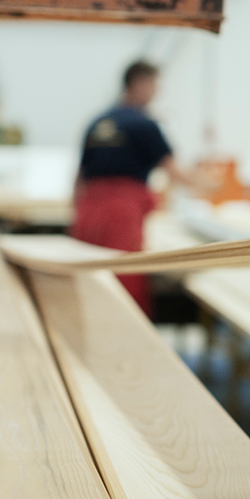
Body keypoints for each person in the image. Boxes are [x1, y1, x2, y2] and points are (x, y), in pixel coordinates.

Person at [70, 60, 201, 314]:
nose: (157, 92)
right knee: (124, 284)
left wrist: (75, 216)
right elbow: (174, 171)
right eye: (154, 85)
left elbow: (79, 178)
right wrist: (207, 183)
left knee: (88, 281)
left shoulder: (98, 122)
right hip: (120, 214)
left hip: (87, 212)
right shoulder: (143, 124)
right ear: (139, 83)